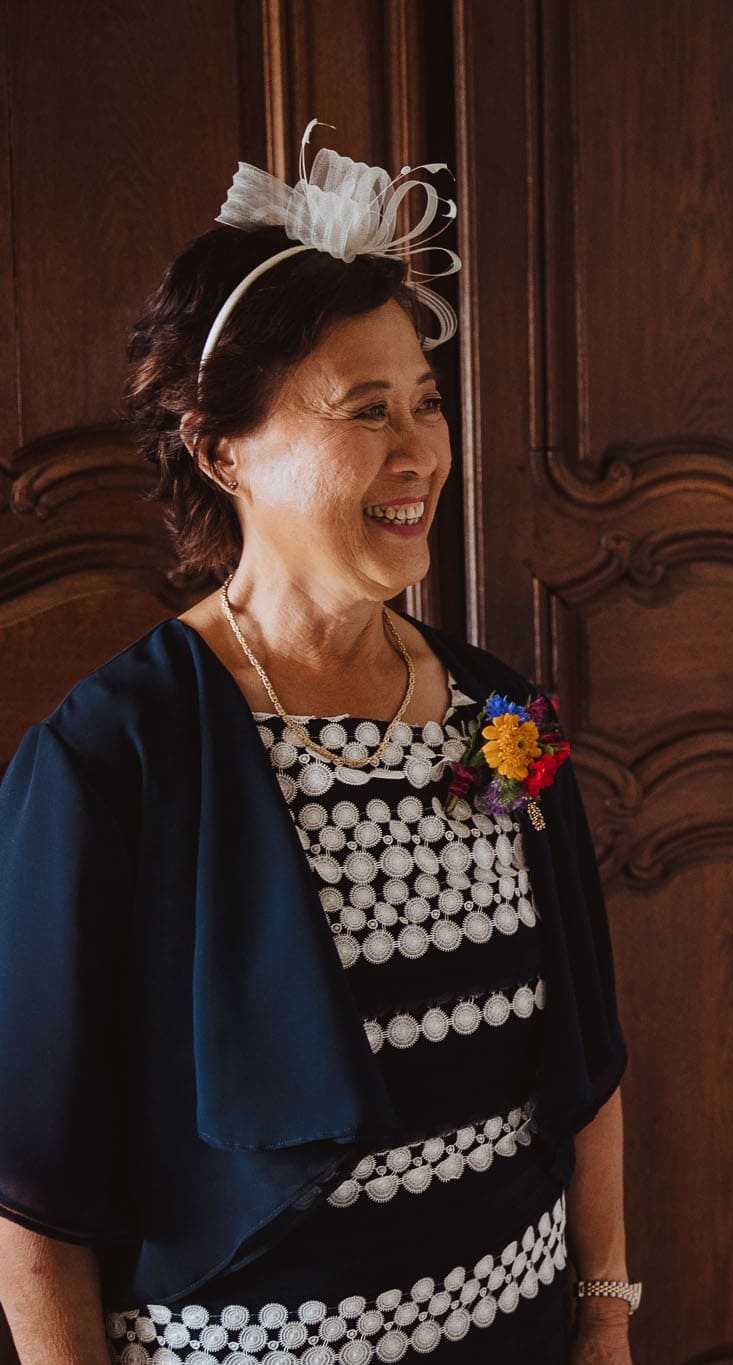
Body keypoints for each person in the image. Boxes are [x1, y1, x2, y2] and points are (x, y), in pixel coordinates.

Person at [0, 127, 636, 1364]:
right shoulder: (108, 759)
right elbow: (28, 1201)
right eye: (365, 411)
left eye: (428, 403)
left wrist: (605, 1313)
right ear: (220, 448)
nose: (420, 455)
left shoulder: (498, 720)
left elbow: (587, 1053)